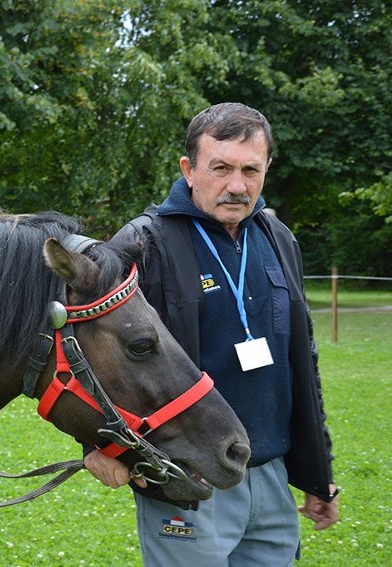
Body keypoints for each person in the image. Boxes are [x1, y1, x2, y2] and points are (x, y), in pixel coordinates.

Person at [86, 103, 338, 566]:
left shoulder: (278, 237)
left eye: (250, 170)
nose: (237, 186)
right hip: (187, 476)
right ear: (189, 169)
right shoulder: (142, 243)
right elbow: (94, 350)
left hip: (272, 476)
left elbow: (304, 359)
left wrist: (318, 473)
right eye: (220, 168)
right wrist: (97, 445)